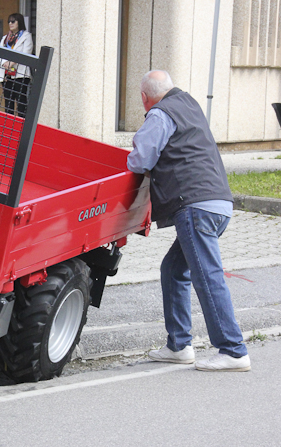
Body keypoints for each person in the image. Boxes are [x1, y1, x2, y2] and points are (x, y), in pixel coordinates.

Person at [127, 70, 250, 372]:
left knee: (207, 276)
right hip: (219, 203)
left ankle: (233, 350)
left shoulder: (160, 113)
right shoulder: (189, 104)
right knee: (173, 269)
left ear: (144, 97)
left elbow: (140, 159)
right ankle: (179, 346)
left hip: (195, 207)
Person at [0, 13, 33, 118]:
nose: (10, 23)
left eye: (13, 21)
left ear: (19, 22)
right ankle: (9, 125)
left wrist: (12, 63)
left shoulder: (26, 36)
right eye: (9, 21)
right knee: (8, 103)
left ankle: (22, 125)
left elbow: (26, 53)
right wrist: (5, 64)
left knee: (21, 102)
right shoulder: (5, 38)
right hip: (6, 74)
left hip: (20, 74)